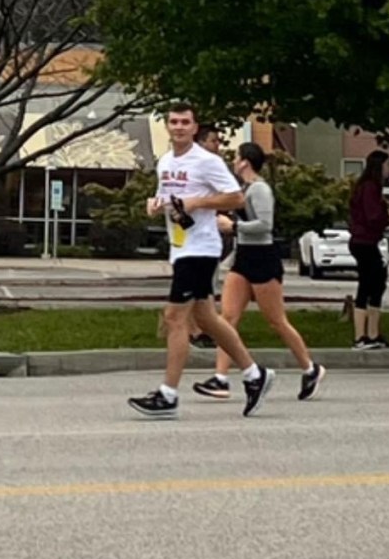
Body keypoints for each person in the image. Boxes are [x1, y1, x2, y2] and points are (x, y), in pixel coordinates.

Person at [129, 103, 274, 419]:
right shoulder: (166, 162)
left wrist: (198, 202)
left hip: (201, 248)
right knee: (207, 319)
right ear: (167, 126)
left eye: (185, 122)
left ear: (195, 128)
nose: (179, 127)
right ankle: (254, 374)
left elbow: (235, 197)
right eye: (174, 122)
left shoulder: (207, 161)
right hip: (180, 246)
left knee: (174, 318)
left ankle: (168, 395)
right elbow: (169, 196)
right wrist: (156, 204)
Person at [193, 141, 326, 402]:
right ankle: (220, 378)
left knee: (276, 320)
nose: (233, 162)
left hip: (263, 258)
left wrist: (233, 227)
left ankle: (310, 368)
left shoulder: (260, 189)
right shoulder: (243, 189)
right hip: (243, 258)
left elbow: (266, 225)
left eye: (237, 157)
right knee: (227, 318)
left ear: (245, 162)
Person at [188, 123, 232, 348]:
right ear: (201, 142)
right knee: (197, 285)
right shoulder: (193, 167)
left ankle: (202, 328)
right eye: (213, 141)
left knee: (207, 285)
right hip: (193, 235)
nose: (217, 145)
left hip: (210, 235)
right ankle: (196, 331)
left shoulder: (214, 166)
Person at [348, 149, 389, 350]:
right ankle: (360, 337)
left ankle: (373, 334)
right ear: (379, 166)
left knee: (377, 284)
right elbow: (373, 216)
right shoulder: (369, 187)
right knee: (367, 285)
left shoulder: (371, 187)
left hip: (368, 242)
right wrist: (388, 215)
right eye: (388, 165)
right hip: (364, 242)